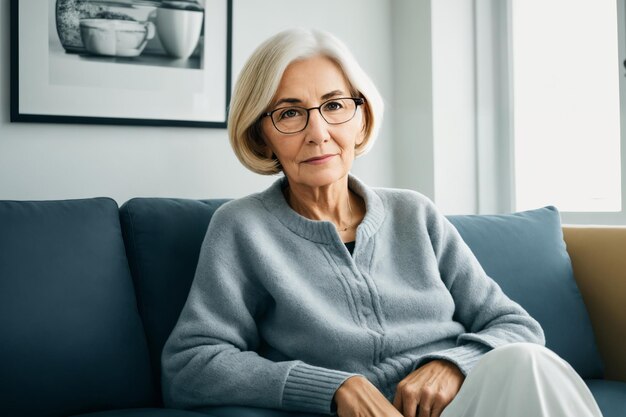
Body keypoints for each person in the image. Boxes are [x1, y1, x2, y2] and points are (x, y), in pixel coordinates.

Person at [161, 28, 603, 417]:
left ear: (361, 118)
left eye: (334, 105)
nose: (318, 132)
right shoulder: (242, 228)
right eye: (290, 113)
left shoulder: (415, 213)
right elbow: (190, 365)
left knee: (527, 362)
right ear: (262, 133)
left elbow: (519, 327)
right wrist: (334, 387)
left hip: (463, 405)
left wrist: (453, 365)